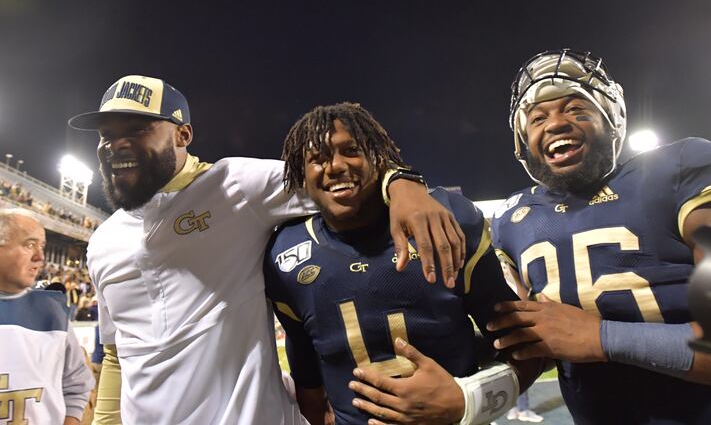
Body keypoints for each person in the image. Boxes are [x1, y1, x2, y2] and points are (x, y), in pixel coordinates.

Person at [67, 75, 465, 424]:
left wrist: (403, 182)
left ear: (182, 135)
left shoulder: (235, 186)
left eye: (136, 131)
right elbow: (118, 355)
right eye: (107, 135)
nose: (116, 144)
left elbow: (339, 179)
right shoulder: (102, 242)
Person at [483, 49, 711, 424]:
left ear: (612, 119)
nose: (556, 123)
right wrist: (464, 399)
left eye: (578, 109)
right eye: (537, 118)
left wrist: (602, 338)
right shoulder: (513, 221)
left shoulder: (673, 173)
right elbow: (528, 345)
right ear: (521, 140)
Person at [265, 102, 545, 425]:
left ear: (378, 157)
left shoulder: (445, 219)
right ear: (303, 173)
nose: (336, 165)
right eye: (318, 158)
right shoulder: (285, 254)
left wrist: (466, 400)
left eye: (351, 150)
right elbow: (308, 378)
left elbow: (523, 347)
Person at [0, 208, 95, 424]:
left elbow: (77, 387)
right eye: (29, 245)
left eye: (42, 247)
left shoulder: (53, 313)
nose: (40, 257)